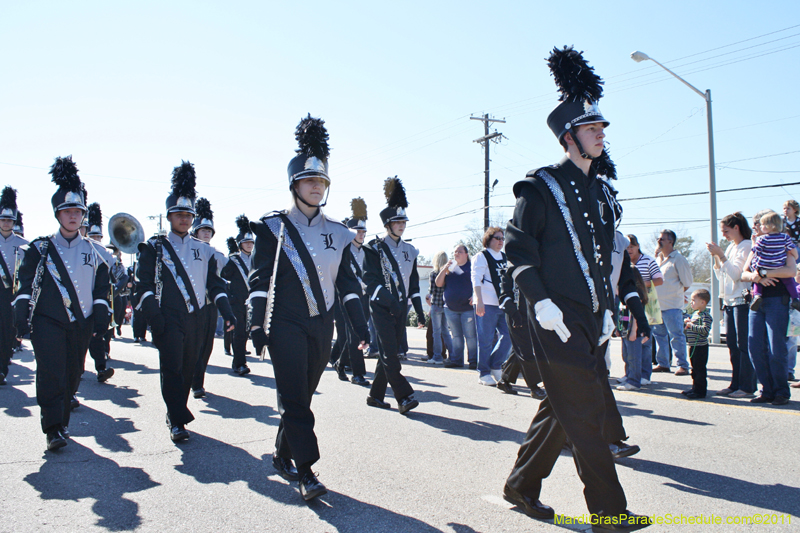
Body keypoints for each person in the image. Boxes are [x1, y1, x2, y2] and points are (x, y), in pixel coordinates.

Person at [503, 46, 651, 529]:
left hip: (589, 318)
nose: (601, 135)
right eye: (592, 129)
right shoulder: (539, 187)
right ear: (569, 138)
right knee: (585, 412)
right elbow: (519, 253)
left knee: (562, 405)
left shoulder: (603, 194)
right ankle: (610, 512)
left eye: (602, 128)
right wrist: (541, 303)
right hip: (550, 318)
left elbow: (602, 261)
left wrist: (610, 308)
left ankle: (522, 484)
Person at [248, 115, 368, 501]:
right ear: (294, 185)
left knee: (304, 392)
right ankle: (307, 472)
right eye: (308, 180)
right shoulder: (273, 228)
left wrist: (361, 327)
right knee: (294, 398)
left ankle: (283, 455)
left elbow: (348, 285)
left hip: (322, 325)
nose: (316, 186)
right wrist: (255, 324)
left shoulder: (339, 231)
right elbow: (259, 280)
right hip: (284, 324)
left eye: (322, 181)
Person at [14, 156, 111, 451]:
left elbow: (101, 289)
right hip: (48, 322)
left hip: (80, 323)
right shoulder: (40, 248)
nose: (73, 216)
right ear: (57, 213)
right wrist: (21, 314)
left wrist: (101, 319)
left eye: (77, 211)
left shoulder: (97, 253)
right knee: (50, 372)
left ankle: (62, 421)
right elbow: (25, 283)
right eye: (67, 210)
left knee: (72, 373)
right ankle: (53, 428)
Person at [135, 162, 236, 443]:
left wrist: (227, 313)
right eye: (178, 213)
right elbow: (143, 287)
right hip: (167, 317)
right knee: (172, 367)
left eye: (188, 214)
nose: (184, 218)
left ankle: (177, 410)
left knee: (189, 368)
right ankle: (177, 419)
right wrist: (155, 318)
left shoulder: (204, 250)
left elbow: (215, 285)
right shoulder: (153, 248)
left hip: (196, 318)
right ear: (169, 216)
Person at [363, 177, 425, 414]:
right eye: (397, 221)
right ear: (387, 225)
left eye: (403, 220)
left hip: (401, 308)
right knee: (391, 353)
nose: (402, 225)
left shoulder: (411, 250)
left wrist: (419, 312)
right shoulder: (374, 248)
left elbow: (414, 285)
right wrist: (390, 303)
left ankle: (375, 396)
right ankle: (404, 396)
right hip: (381, 307)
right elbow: (370, 281)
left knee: (388, 354)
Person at [741, 210, 796, 406]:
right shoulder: (757, 246)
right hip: (757, 302)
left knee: (776, 348)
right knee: (754, 346)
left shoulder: (783, 242)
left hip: (777, 300)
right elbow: (744, 274)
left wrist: (764, 272)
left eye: (758, 224)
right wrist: (756, 277)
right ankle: (766, 389)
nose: (757, 228)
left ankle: (781, 391)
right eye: (756, 225)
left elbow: (791, 270)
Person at [707, 213, 756, 398]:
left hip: (742, 301)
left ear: (737, 227)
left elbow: (737, 274)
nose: (724, 235)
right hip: (729, 301)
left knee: (743, 346)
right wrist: (718, 259)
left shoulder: (746, 246)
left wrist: (721, 255)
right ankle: (735, 384)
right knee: (732, 346)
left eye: (726, 231)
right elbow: (723, 276)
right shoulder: (730, 247)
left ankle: (747, 386)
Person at [190, 199, 233, 400]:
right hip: (190, 306)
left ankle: (198, 382)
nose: (206, 233)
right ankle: (190, 378)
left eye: (209, 231)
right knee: (191, 345)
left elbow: (228, 272)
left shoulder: (217, 254)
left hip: (210, 305)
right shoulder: (187, 251)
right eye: (203, 230)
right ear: (195, 232)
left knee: (206, 346)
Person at [331, 198, 371, 386]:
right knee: (354, 334)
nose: (361, 234)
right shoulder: (342, 250)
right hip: (346, 298)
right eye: (358, 231)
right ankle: (358, 374)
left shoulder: (366, 252)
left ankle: (340, 362)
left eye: (363, 231)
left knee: (355, 333)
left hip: (363, 298)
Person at [496, 269, 546, 399]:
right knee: (526, 350)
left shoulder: (531, 270)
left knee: (519, 348)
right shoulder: (507, 273)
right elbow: (504, 296)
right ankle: (534, 387)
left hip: (531, 314)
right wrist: (514, 314)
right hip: (516, 315)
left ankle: (504, 380)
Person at [472, 227, 512, 386]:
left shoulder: (505, 257)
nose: (501, 241)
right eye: (497, 238)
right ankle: (483, 372)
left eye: (503, 238)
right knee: (486, 339)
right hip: (486, 303)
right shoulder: (481, 256)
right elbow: (475, 279)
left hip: (503, 304)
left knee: (509, 336)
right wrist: (479, 301)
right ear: (489, 239)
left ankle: (496, 365)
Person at [652, 229, 693, 375]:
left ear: (671, 241)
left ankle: (682, 365)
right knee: (659, 335)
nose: (659, 241)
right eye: (659, 238)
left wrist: (676, 293)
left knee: (676, 335)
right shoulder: (657, 259)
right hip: (657, 305)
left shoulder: (678, 259)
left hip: (673, 305)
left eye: (662, 239)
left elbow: (687, 282)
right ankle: (663, 363)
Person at [84, 203, 117, 384]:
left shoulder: (106, 254)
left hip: (99, 302)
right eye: (93, 235)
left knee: (97, 337)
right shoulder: (82, 250)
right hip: (80, 300)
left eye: (98, 236)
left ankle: (101, 368)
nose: (96, 238)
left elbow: (118, 278)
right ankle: (76, 369)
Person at [220, 214, 255, 380]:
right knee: (239, 332)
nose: (249, 245)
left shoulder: (257, 259)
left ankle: (239, 360)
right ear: (240, 244)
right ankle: (239, 363)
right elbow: (223, 275)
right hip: (236, 301)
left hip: (252, 302)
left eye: (251, 242)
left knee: (247, 332)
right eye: (246, 243)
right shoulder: (233, 260)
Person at [0, 187, 28, 385]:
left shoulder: (24, 245)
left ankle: (2, 368)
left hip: (12, 293)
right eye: (3, 219)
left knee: (7, 331)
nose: (6, 223)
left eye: (9, 220)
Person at [625, 234, 662, 381]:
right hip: (628, 305)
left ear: (638, 246)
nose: (629, 250)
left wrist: (638, 284)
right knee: (627, 341)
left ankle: (645, 375)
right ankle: (630, 373)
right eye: (627, 247)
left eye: (632, 246)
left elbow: (659, 280)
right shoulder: (624, 261)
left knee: (644, 342)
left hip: (646, 304)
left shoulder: (648, 260)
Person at [748, 211, 798, 311]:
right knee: (789, 281)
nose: (760, 227)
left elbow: (755, 250)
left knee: (758, 281)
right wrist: (795, 256)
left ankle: (757, 296)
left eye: (762, 225)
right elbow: (792, 249)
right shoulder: (785, 237)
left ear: (769, 226)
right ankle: (795, 298)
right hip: (779, 265)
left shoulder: (762, 239)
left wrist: (753, 242)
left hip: (764, 266)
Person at [438, 245, 477, 369]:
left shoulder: (472, 267)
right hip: (450, 308)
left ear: (466, 254)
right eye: (455, 252)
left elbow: (480, 283)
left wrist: (474, 296)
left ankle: (473, 361)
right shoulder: (450, 268)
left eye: (460, 251)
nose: (456, 254)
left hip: (468, 309)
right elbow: (438, 283)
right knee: (456, 336)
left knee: (470, 336)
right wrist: (444, 269)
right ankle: (456, 360)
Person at [681, 289, 712, 399]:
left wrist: (691, 326)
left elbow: (705, 330)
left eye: (694, 300)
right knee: (694, 368)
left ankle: (700, 391)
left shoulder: (705, 316)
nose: (691, 302)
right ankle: (695, 388)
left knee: (700, 369)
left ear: (703, 302)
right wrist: (688, 323)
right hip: (693, 345)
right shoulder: (695, 314)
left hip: (701, 347)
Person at [426, 251, 453, 365]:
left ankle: (437, 357)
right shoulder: (449, 273)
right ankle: (453, 355)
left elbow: (432, 291)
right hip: (446, 305)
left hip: (436, 304)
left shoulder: (434, 273)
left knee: (436, 333)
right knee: (446, 332)